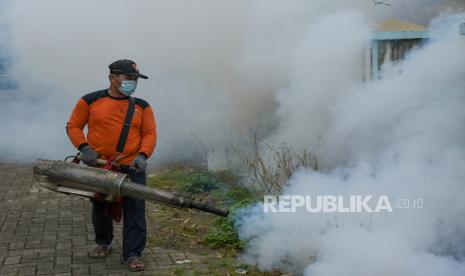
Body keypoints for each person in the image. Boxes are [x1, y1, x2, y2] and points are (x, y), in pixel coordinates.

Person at [66, 59, 157, 271]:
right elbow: (74, 126)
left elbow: (150, 134)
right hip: (101, 168)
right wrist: (85, 148)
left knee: (135, 211)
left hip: (132, 169)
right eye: (129, 78)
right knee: (102, 207)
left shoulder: (142, 106)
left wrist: (143, 156)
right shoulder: (89, 101)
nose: (133, 83)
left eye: (136, 79)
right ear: (112, 78)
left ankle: (132, 254)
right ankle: (103, 242)